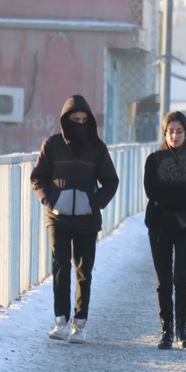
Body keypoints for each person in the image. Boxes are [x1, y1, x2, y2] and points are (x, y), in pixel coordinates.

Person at [30, 95, 119, 344]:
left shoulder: (97, 149)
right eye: (74, 120)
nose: (79, 124)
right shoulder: (52, 145)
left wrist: (93, 203)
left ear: (89, 121)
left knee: (83, 270)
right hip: (57, 218)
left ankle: (80, 323)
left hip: (86, 220)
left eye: (83, 120)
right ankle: (60, 320)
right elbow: (37, 177)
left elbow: (111, 181)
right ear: (65, 121)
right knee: (60, 266)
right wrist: (51, 200)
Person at [144, 111, 186, 349]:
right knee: (163, 280)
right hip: (160, 226)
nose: (175, 136)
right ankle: (166, 330)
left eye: (179, 131)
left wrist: (171, 195)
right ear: (165, 132)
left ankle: (182, 328)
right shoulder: (154, 160)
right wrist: (183, 194)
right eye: (170, 131)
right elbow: (153, 191)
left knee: (181, 277)